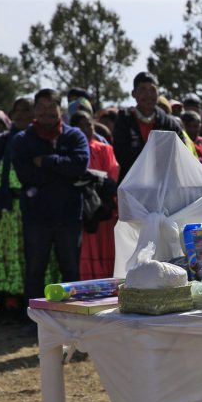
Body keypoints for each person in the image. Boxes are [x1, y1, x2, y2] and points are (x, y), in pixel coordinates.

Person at [11, 89, 90, 307]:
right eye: (41, 107)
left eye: (51, 106)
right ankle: (34, 318)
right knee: (35, 269)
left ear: (60, 109)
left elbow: (79, 166)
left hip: (69, 216)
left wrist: (45, 161)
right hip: (36, 217)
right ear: (34, 110)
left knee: (71, 270)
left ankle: (73, 316)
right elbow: (25, 174)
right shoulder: (22, 140)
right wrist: (62, 170)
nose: (46, 112)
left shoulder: (74, 136)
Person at [0, 97, 49, 320]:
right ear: (11, 114)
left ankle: (33, 306)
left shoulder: (41, 138)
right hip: (8, 210)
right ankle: (10, 306)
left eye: (27, 110)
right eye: (18, 110)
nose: (23, 114)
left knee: (34, 258)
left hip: (36, 209)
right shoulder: (1, 141)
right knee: (10, 257)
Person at [70, 111, 120, 280]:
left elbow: (112, 175)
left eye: (88, 125)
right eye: (80, 126)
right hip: (79, 208)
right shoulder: (69, 150)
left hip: (102, 209)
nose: (86, 129)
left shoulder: (105, 149)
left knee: (103, 248)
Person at [112, 72, 183, 179]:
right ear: (133, 93)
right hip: (132, 183)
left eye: (152, 90)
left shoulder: (169, 124)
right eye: (143, 89)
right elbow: (121, 154)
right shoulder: (124, 120)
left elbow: (180, 153)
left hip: (164, 184)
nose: (148, 94)